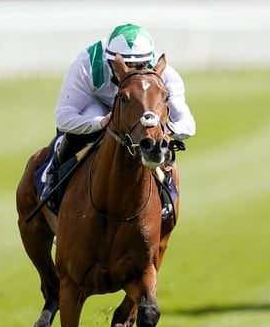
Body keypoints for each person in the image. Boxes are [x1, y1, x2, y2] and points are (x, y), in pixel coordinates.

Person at [41, 23, 196, 206]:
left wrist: (167, 128)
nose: (134, 72)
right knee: (90, 115)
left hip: (135, 114)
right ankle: (53, 179)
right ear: (111, 61)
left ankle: (166, 192)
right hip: (98, 107)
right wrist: (100, 122)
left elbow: (188, 124)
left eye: (140, 66)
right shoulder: (88, 64)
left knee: (158, 140)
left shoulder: (166, 76)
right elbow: (64, 117)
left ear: (150, 62)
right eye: (127, 65)